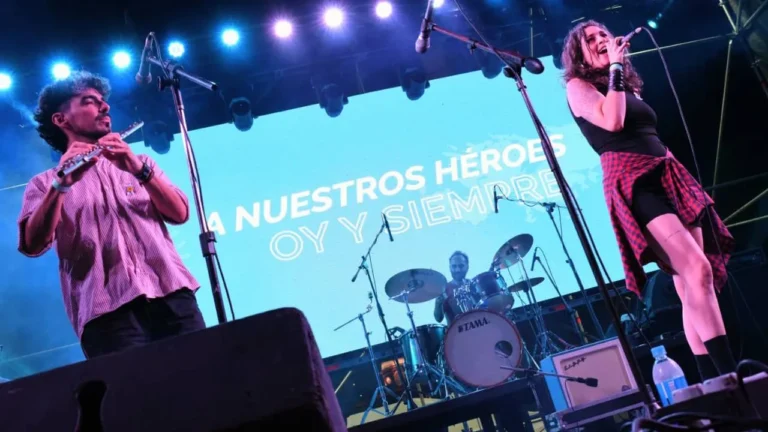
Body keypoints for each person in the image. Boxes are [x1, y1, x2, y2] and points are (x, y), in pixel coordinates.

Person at [561, 21, 737, 381]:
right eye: (590, 39)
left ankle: (715, 383)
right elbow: (613, 122)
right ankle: (731, 375)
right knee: (697, 270)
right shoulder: (578, 86)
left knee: (690, 283)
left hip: (666, 173)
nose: (600, 41)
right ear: (578, 53)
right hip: (633, 181)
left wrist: (617, 72)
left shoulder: (625, 83)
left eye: (603, 36)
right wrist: (613, 68)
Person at [17, 71, 205, 359]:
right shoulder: (43, 183)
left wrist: (138, 170)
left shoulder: (140, 162)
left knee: (203, 386)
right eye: (90, 102)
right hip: (107, 316)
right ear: (61, 119)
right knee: (136, 401)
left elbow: (180, 214)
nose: (105, 107)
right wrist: (61, 184)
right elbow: (32, 244)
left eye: (103, 101)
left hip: (172, 296)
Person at [433, 251, 480, 326]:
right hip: (457, 334)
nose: (457, 270)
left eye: (461, 266)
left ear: (467, 266)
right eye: (454, 266)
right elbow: (439, 319)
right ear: (450, 267)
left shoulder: (475, 285)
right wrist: (438, 303)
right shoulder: (444, 289)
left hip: (480, 327)